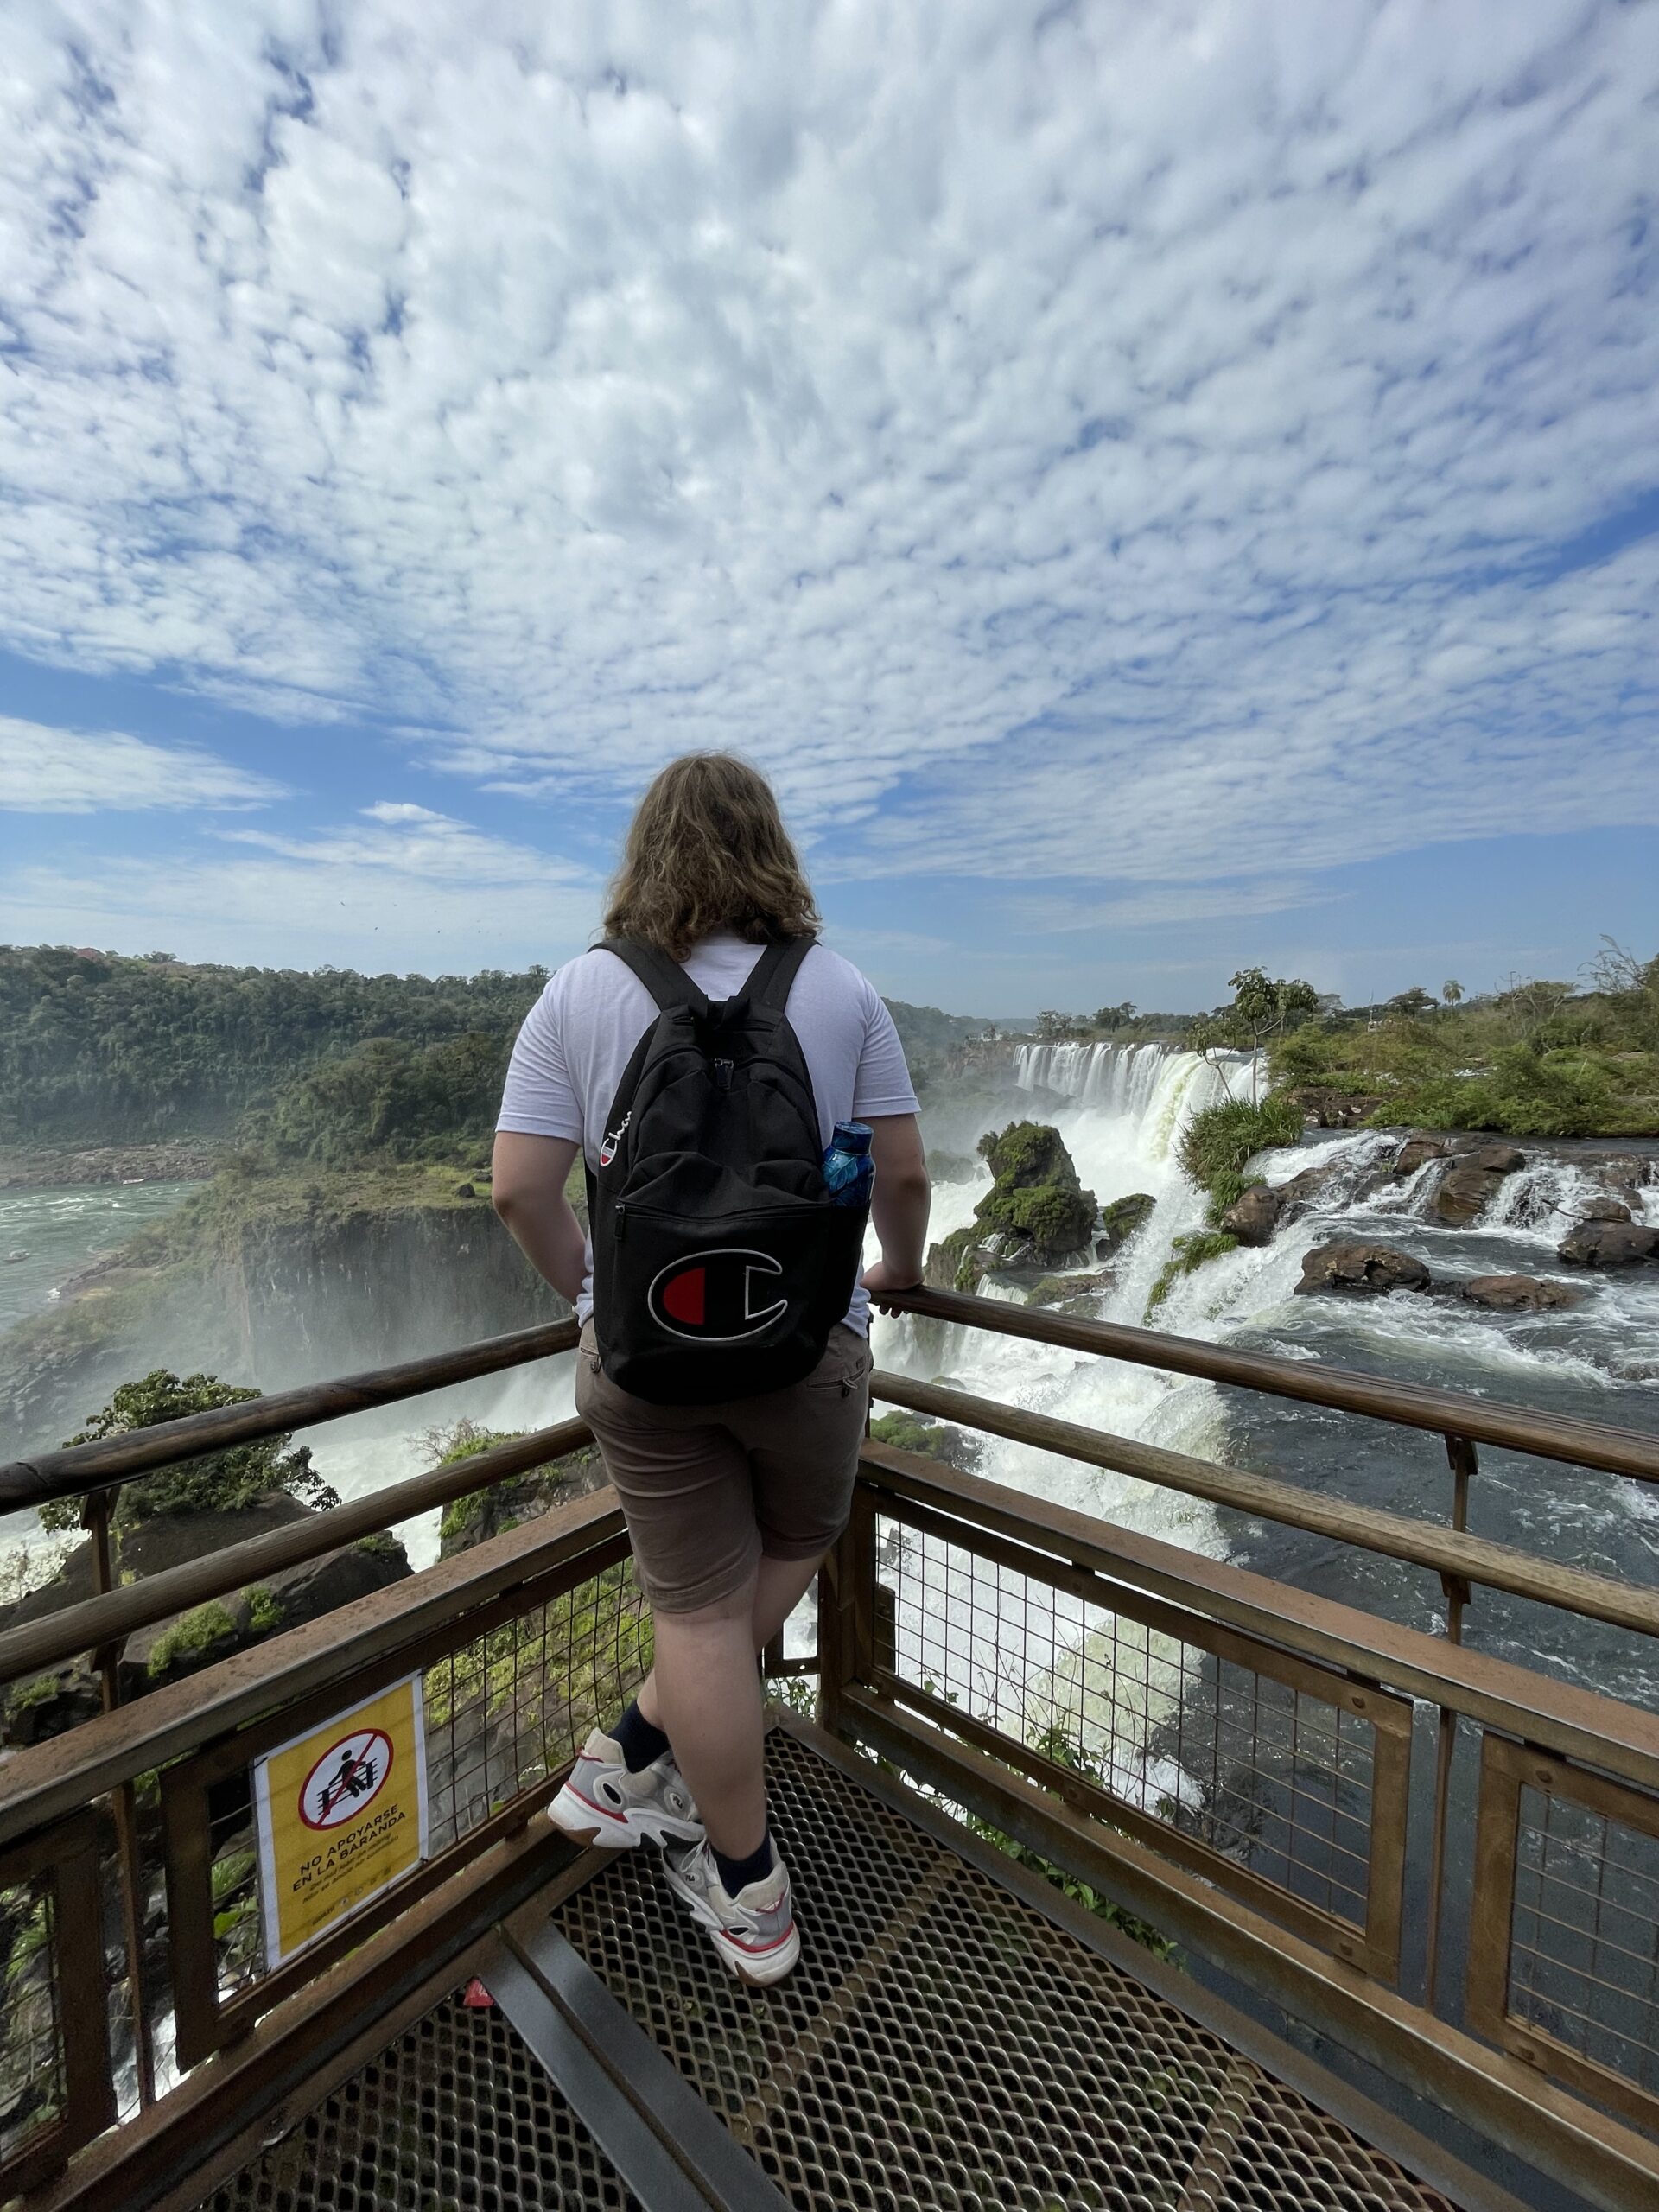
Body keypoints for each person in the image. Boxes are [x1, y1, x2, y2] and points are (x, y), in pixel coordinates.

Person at [492, 753, 930, 1983]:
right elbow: (902, 1173)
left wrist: (595, 1300)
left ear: (645, 850)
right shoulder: (841, 987)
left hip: (643, 1365)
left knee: (693, 1614)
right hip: (808, 1346)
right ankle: (716, 1849)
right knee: (800, 1536)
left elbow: (519, 1190)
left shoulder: (581, 990)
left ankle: (703, 1839)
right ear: (772, 848)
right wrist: (897, 1269)